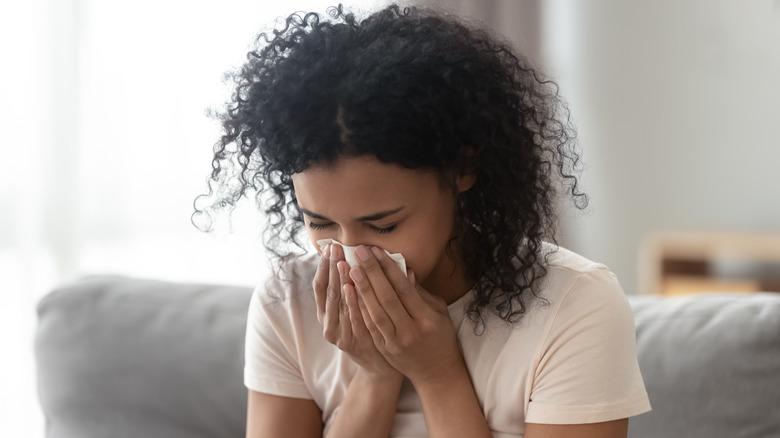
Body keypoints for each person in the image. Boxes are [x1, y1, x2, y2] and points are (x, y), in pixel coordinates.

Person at [194, 4, 651, 437]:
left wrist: (438, 374)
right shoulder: (287, 303)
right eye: (320, 224)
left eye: (384, 225)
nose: (351, 255)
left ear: (463, 170)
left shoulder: (573, 306)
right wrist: (375, 377)